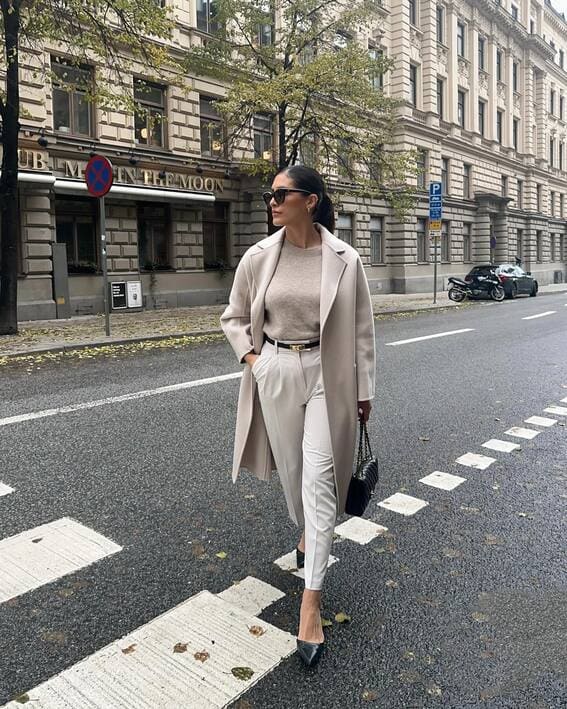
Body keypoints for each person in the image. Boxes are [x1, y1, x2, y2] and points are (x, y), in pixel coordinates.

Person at [220, 165, 376, 667]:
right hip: (278, 368)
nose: (273, 202)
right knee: (293, 476)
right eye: (271, 195)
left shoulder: (345, 259)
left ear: (310, 200)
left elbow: (362, 330)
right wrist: (255, 360)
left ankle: (311, 604)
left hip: (330, 374)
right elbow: (235, 316)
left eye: (281, 194)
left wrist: (364, 389)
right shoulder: (260, 256)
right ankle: (309, 532)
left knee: (321, 476)